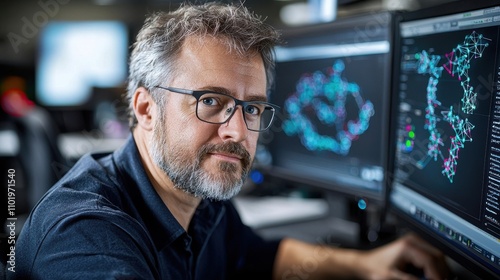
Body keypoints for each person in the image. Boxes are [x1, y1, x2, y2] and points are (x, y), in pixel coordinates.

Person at [11, 2, 449, 279]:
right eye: (210, 101)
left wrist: (364, 266)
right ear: (145, 109)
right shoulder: (86, 238)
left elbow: (259, 258)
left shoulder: (198, 196)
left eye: (252, 107)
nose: (238, 132)